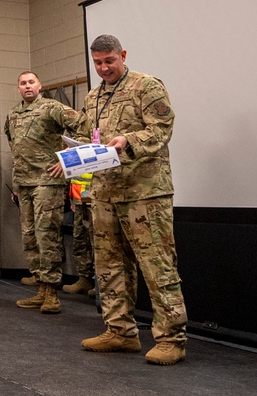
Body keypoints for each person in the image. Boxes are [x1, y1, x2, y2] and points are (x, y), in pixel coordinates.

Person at [70, 34, 188, 365]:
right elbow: (87, 137)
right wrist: (72, 158)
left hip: (144, 192)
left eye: (109, 61)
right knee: (109, 266)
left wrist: (128, 140)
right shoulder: (93, 97)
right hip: (106, 191)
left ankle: (171, 338)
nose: (104, 68)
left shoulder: (146, 86)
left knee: (157, 264)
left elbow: (162, 128)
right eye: (98, 63)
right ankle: (120, 331)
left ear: (122, 55)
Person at [5, 71, 82, 314]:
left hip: (48, 182)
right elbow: (16, 148)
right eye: (22, 83)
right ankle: (40, 287)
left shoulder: (52, 108)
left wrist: (67, 160)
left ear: (40, 85)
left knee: (46, 234)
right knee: (29, 236)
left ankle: (52, 293)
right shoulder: (13, 114)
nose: (27, 86)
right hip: (25, 184)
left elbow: (83, 126)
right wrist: (16, 185)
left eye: (31, 82)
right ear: (18, 88)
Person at [62, 171, 95, 297]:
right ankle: (84, 279)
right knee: (80, 239)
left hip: (96, 196)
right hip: (78, 197)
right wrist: (71, 198)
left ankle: (100, 283)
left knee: (97, 242)